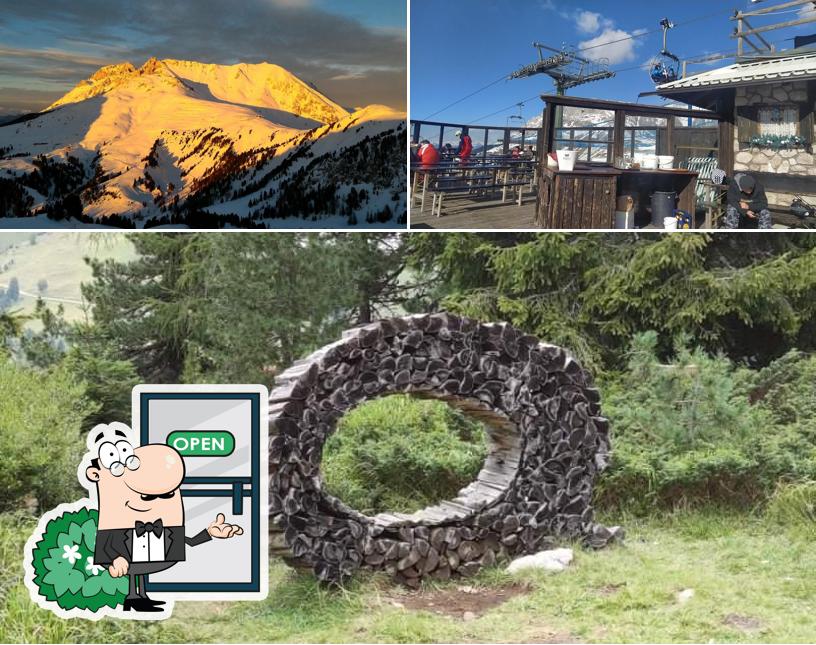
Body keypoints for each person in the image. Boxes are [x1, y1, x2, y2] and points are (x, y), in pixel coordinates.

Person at [86, 424, 243, 612]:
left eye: (167, 495)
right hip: (126, 559)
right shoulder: (114, 527)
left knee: (140, 570)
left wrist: (209, 533)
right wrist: (115, 558)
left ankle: (140, 597)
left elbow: (189, 541)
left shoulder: (165, 529)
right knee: (135, 569)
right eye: (147, 496)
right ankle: (132, 597)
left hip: (149, 556)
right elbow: (106, 546)